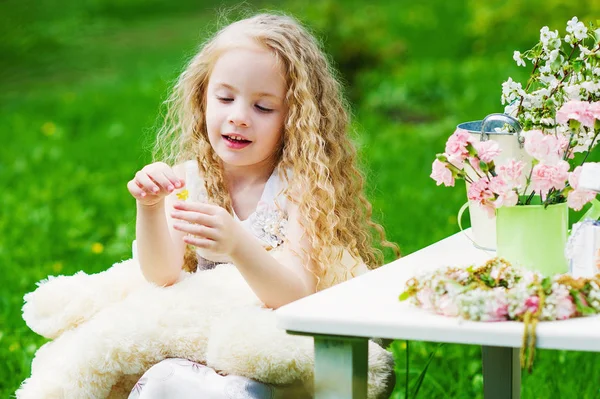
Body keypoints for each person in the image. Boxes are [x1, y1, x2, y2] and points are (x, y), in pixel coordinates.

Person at [125, 12, 400, 399]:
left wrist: (237, 244)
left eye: (263, 108)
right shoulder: (190, 180)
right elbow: (161, 274)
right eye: (225, 98)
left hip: (275, 356)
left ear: (294, 119)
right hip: (209, 344)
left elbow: (294, 293)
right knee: (164, 379)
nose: (238, 117)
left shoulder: (299, 188)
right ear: (202, 97)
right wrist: (151, 207)